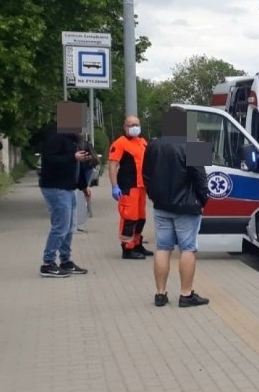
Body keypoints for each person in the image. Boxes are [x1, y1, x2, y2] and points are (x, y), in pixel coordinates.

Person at [142, 110, 210, 308]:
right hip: (188, 207)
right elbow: (201, 179)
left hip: (161, 206)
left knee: (163, 248)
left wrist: (154, 197)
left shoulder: (152, 145)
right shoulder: (194, 145)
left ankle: (160, 294)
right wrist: (202, 201)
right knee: (188, 249)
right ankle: (186, 295)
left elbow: (146, 175)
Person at [38, 102, 90, 278]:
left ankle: (66, 261)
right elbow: (50, 160)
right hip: (55, 187)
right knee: (60, 226)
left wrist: (83, 186)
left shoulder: (72, 137)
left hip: (69, 187)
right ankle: (48, 263)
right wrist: (72, 157)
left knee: (70, 226)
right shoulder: (56, 134)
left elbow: (77, 165)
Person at [108, 115, 153, 259]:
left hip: (141, 187)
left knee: (141, 218)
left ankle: (137, 244)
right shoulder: (120, 143)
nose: (134, 127)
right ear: (125, 127)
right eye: (131, 124)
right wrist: (114, 186)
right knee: (129, 218)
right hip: (128, 186)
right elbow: (113, 165)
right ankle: (127, 248)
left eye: (136, 124)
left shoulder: (142, 142)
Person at [74, 137, 98, 232]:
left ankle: (87, 207)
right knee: (83, 190)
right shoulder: (78, 144)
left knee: (84, 190)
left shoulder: (85, 144)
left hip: (86, 168)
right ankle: (87, 208)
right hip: (83, 168)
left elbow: (92, 155)